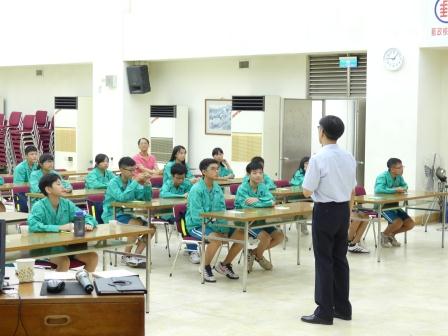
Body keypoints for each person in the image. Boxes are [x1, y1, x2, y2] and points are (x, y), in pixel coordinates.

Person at [301, 115, 356, 325]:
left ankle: (324, 310)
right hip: (343, 211)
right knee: (340, 260)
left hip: (324, 211)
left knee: (324, 260)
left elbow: (307, 191)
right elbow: (352, 189)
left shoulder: (318, 158)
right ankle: (342, 308)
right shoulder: (348, 156)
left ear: (322, 132)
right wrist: (349, 214)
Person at [186, 158, 244, 282]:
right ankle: (205, 267)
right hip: (197, 225)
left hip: (215, 224)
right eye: (213, 169)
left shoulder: (217, 188)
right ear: (203, 172)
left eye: (217, 169)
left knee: (241, 234)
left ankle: (225, 265)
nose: (216, 171)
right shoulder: (196, 189)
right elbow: (197, 215)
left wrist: (222, 227)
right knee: (216, 239)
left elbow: (221, 210)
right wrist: (217, 227)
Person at [28, 173, 98, 272]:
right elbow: (33, 226)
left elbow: (87, 216)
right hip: (46, 248)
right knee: (64, 261)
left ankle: (85, 283)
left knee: (93, 257)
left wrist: (89, 223)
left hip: (67, 246)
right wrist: (59, 228)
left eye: (61, 183)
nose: (62, 186)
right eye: (58, 184)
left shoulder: (67, 203)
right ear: (48, 189)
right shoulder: (39, 206)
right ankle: (58, 286)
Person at [102, 156, 154, 267]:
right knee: (136, 224)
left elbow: (145, 199)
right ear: (121, 170)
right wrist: (135, 182)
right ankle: (126, 255)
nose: (133, 172)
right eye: (130, 170)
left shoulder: (131, 181)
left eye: (134, 170)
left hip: (126, 214)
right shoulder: (113, 183)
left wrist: (147, 185)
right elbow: (121, 198)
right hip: (112, 215)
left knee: (151, 228)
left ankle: (136, 256)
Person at [235, 160, 284, 272]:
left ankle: (254, 253)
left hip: (260, 220)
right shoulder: (242, 188)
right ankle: (260, 257)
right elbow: (247, 206)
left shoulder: (262, 186)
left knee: (279, 236)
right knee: (265, 238)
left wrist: (258, 200)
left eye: (260, 173)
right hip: (246, 221)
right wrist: (265, 202)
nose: (258, 175)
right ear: (248, 174)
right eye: (254, 173)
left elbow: (272, 200)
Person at [159, 163, 198, 263]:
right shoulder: (167, 183)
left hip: (184, 210)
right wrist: (181, 196)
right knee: (184, 222)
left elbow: (192, 193)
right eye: (178, 178)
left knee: (191, 220)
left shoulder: (186, 183)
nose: (181, 180)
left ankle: (191, 246)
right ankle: (193, 250)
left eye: (183, 178)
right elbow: (163, 194)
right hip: (167, 212)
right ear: (172, 176)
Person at [375, 158, 415, 248]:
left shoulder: (399, 177)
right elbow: (379, 189)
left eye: (402, 167)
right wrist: (395, 189)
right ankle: (384, 235)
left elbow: (405, 185)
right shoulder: (382, 176)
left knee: (410, 224)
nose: (402, 169)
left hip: (394, 206)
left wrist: (403, 188)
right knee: (398, 222)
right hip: (383, 206)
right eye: (399, 167)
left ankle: (390, 235)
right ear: (392, 169)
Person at [13, 145, 39, 212]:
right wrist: (33, 184)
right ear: (26, 156)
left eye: (36, 154)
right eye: (32, 154)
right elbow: (18, 185)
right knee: (24, 209)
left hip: (33, 190)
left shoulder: (37, 166)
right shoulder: (20, 168)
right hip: (20, 192)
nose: (34, 156)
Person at [289, 156, 311, 235]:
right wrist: (307, 173)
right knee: (302, 208)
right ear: (302, 164)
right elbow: (302, 183)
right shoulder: (299, 172)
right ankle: (301, 224)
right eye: (306, 163)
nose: (307, 165)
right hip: (296, 196)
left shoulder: (313, 172)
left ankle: (302, 222)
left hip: (307, 196)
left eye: (309, 163)